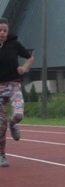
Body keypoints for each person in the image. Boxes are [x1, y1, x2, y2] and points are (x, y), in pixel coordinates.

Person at [0, 18, 34, 167]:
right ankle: (2, 156)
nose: (2, 33)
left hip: (13, 85)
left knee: (19, 114)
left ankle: (13, 124)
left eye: (5, 30)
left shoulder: (14, 44)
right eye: (0, 30)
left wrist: (23, 68)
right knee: (0, 125)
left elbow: (30, 58)